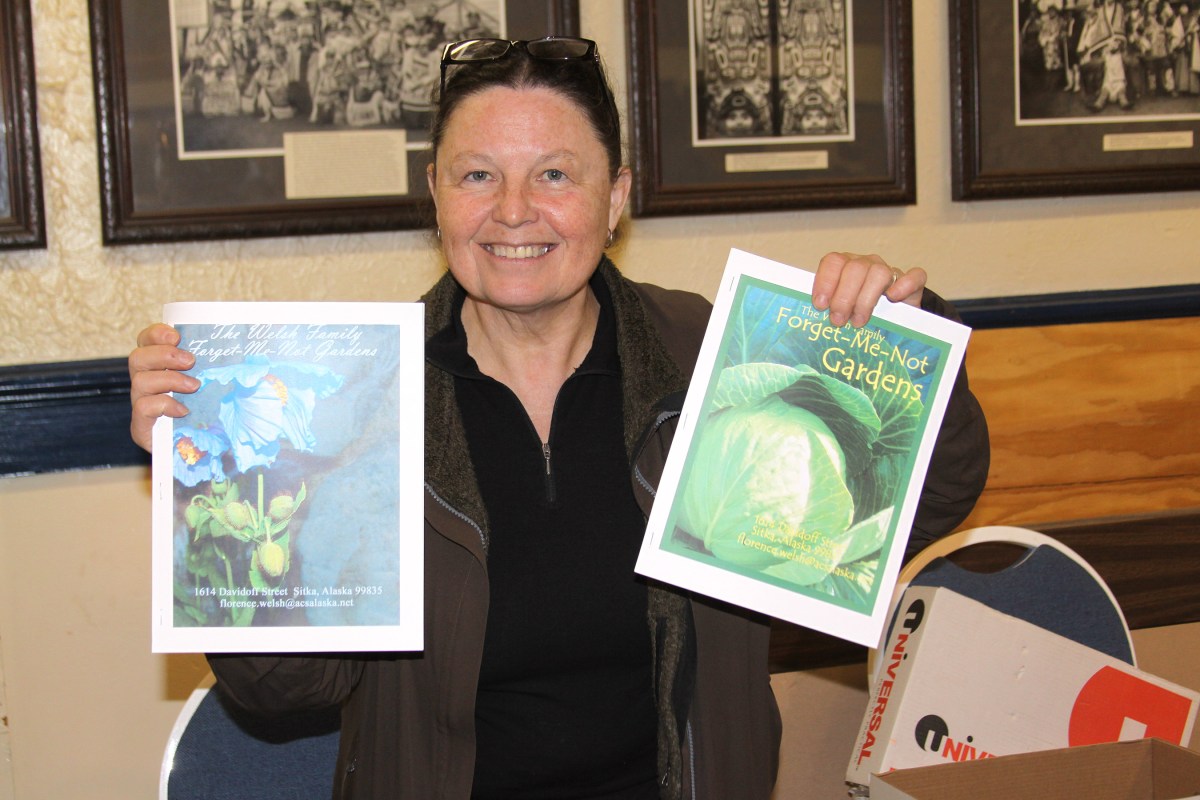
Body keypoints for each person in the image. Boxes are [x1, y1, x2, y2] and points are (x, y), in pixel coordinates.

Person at [129, 36, 989, 799]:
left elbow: (933, 496)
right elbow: (285, 693)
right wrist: (216, 482)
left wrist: (896, 349)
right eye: (478, 175)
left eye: (553, 174)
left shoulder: (709, 353)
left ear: (614, 197)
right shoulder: (350, 399)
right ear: (435, 193)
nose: (513, 210)